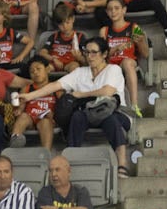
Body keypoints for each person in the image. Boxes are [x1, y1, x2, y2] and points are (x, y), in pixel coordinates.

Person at [21, 39, 134, 177]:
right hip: (89, 112)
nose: (89, 56)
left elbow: (107, 91)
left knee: (110, 120)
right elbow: (55, 85)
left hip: (114, 112)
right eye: (87, 52)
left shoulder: (113, 69)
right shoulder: (80, 72)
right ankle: (71, 160)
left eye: (94, 52)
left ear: (104, 54)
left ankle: (122, 163)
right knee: (77, 117)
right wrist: (29, 96)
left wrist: (80, 94)